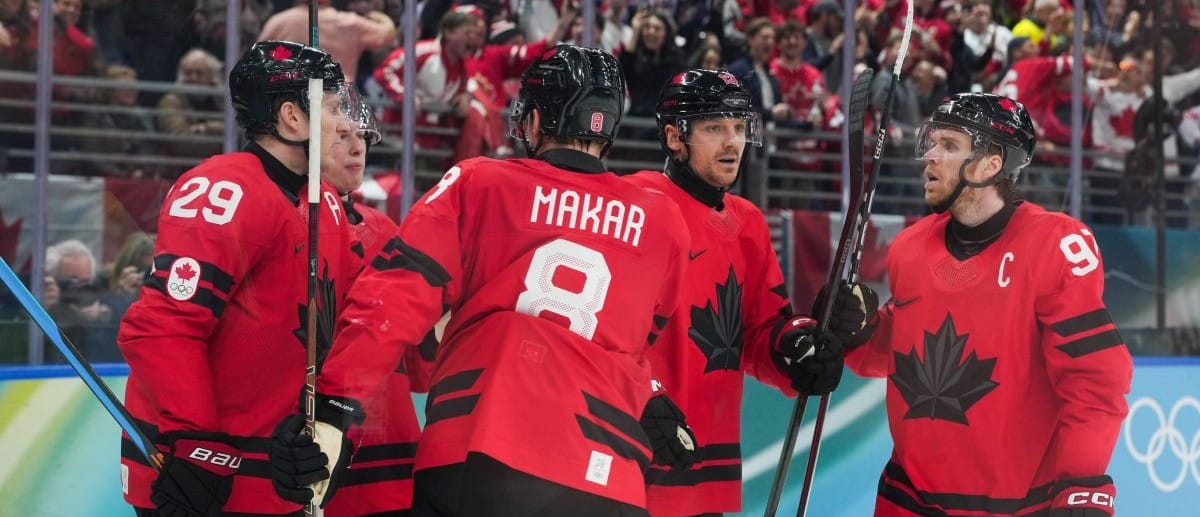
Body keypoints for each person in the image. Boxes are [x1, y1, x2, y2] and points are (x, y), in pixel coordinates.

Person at [268, 43, 696, 516]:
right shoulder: (663, 220)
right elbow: (639, 339)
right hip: (608, 473)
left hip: (482, 450)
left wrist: (334, 408)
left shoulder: (480, 183)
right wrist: (650, 394)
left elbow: (394, 296)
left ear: (534, 122)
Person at [845, 93, 1133, 516]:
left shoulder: (1056, 245)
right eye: (931, 141)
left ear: (990, 164)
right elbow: (898, 357)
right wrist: (858, 330)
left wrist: (1082, 481)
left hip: (1017, 505)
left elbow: (1095, 381)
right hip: (907, 500)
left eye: (948, 145)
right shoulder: (908, 247)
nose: (929, 155)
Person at [117, 40, 361, 516]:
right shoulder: (224, 188)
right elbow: (161, 327)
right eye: (333, 107)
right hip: (196, 471)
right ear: (293, 117)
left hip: (272, 478)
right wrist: (195, 442)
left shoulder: (325, 203)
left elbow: (341, 326)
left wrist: (329, 421)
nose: (346, 123)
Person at [624, 69, 872, 516]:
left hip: (706, 471)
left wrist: (797, 346)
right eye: (715, 127)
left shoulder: (747, 223)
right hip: (631, 461)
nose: (732, 142)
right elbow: (598, 331)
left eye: (739, 128)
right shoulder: (634, 203)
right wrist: (642, 394)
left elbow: (761, 333)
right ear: (674, 137)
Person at [318, 87, 429, 517]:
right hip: (321, 432)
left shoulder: (382, 227)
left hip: (388, 434)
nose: (357, 145)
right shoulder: (288, 219)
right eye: (342, 134)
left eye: (360, 135)